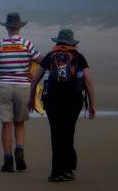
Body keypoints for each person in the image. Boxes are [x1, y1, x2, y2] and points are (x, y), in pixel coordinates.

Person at [29, 28, 97, 182]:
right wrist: (92, 105)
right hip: (73, 100)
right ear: (72, 42)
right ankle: (68, 170)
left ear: (58, 42)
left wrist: (31, 99)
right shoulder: (78, 57)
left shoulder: (50, 56)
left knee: (56, 133)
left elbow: (35, 80)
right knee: (68, 132)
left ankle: (56, 172)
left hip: (52, 100)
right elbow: (88, 82)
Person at [0, 12, 42, 172]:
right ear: (19, 27)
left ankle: (7, 160)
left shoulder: (0, 44)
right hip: (23, 87)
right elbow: (42, 60)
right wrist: (31, 71)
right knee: (19, 123)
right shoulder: (27, 44)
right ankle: (19, 150)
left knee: (6, 124)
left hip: (4, 86)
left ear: (7, 27)